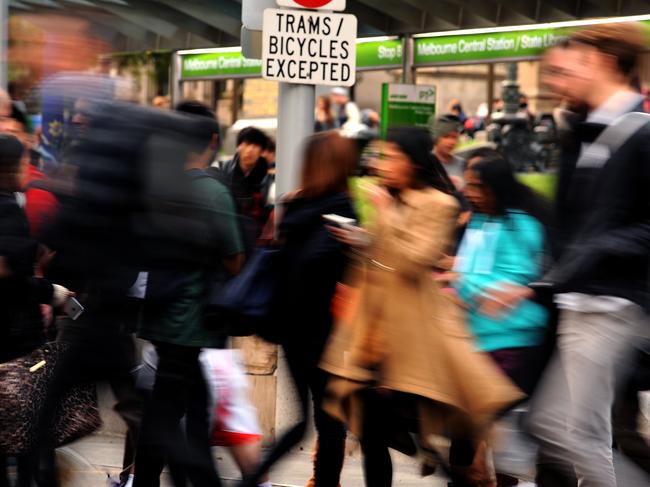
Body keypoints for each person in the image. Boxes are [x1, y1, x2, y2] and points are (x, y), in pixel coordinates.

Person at [321, 127, 523, 487]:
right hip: (375, 332)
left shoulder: (439, 203)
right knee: (371, 429)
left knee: (429, 426)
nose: (382, 165)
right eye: (381, 156)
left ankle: (465, 474)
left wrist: (385, 216)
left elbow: (415, 262)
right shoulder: (391, 199)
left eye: (391, 156)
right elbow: (381, 262)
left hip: (417, 337)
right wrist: (359, 240)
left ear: (413, 162)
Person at [496, 23, 650, 487]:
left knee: (575, 432)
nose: (560, 79)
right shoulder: (583, 132)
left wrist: (586, 257)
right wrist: (544, 282)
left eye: (575, 64)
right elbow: (568, 226)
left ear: (602, 64)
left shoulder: (640, 133)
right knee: (559, 427)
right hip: (577, 298)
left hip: (612, 302)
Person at [134, 101, 245, 487]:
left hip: (159, 313)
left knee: (192, 406)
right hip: (191, 321)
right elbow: (234, 261)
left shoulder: (157, 187)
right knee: (166, 413)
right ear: (213, 141)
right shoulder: (214, 193)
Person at [244, 131, 357, 487]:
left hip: (290, 329)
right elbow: (347, 274)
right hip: (325, 331)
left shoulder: (294, 207)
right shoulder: (343, 211)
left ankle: (252, 479)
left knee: (306, 423)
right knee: (330, 424)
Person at [454, 153, 552, 486]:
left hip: (514, 338)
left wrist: (465, 285)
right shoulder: (479, 220)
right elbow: (469, 272)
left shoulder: (522, 224)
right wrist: (462, 282)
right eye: (468, 184)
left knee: (481, 422)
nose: (471, 192)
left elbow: (517, 278)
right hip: (479, 336)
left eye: (478, 186)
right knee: (470, 430)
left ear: (497, 186)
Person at [0, 134, 70, 487]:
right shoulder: (8, 209)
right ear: (10, 168)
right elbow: (8, 276)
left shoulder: (14, 203)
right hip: (15, 334)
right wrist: (52, 293)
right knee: (25, 423)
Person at [211, 127, 271, 255]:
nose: (250, 150)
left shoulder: (268, 178)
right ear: (238, 146)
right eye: (247, 144)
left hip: (256, 242)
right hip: (229, 238)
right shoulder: (222, 170)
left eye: (255, 146)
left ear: (261, 151)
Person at [431, 114, 465, 188]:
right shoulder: (427, 163)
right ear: (436, 138)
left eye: (454, 137)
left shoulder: (463, 165)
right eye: (446, 137)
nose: (451, 142)